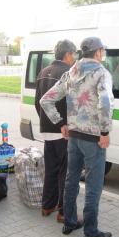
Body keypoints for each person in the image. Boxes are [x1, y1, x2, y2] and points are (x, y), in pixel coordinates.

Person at [40, 37, 114, 237]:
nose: (103, 54)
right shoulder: (101, 73)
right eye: (102, 50)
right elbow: (106, 102)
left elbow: (45, 99)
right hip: (93, 139)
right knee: (93, 185)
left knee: (71, 179)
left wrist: (60, 123)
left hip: (73, 137)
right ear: (98, 52)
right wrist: (105, 131)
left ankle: (70, 221)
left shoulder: (71, 72)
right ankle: (91, 232)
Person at [35, 39, 77, 223]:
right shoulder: (68, 73)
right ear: (68, 54)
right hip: (63, 130)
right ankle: (63, 212)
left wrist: (47, 122)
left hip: (47, 130)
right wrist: (62, 123)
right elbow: (72, 105)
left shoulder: (43, 72)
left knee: (51, 170)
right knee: (64, 173)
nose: (74, 58)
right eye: (73, 54)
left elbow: (39, 102)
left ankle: (47, 206)